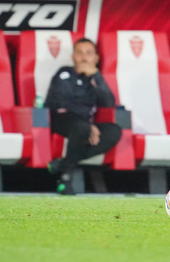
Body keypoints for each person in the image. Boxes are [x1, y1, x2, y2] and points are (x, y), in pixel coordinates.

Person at [45, 38, 121, 195]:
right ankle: (66, 179)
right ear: (73, 57)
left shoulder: (94, 80)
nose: (84, 57)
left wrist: (97, 76)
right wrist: (89, 126)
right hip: (60, 120)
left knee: (114, 131)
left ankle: (63, 164)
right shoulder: (64, 73)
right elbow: (64, 102)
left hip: (83, 126)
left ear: (96, 58)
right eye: (79, 53)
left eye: (88, 53)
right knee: (81, 126)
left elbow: (108, 103)